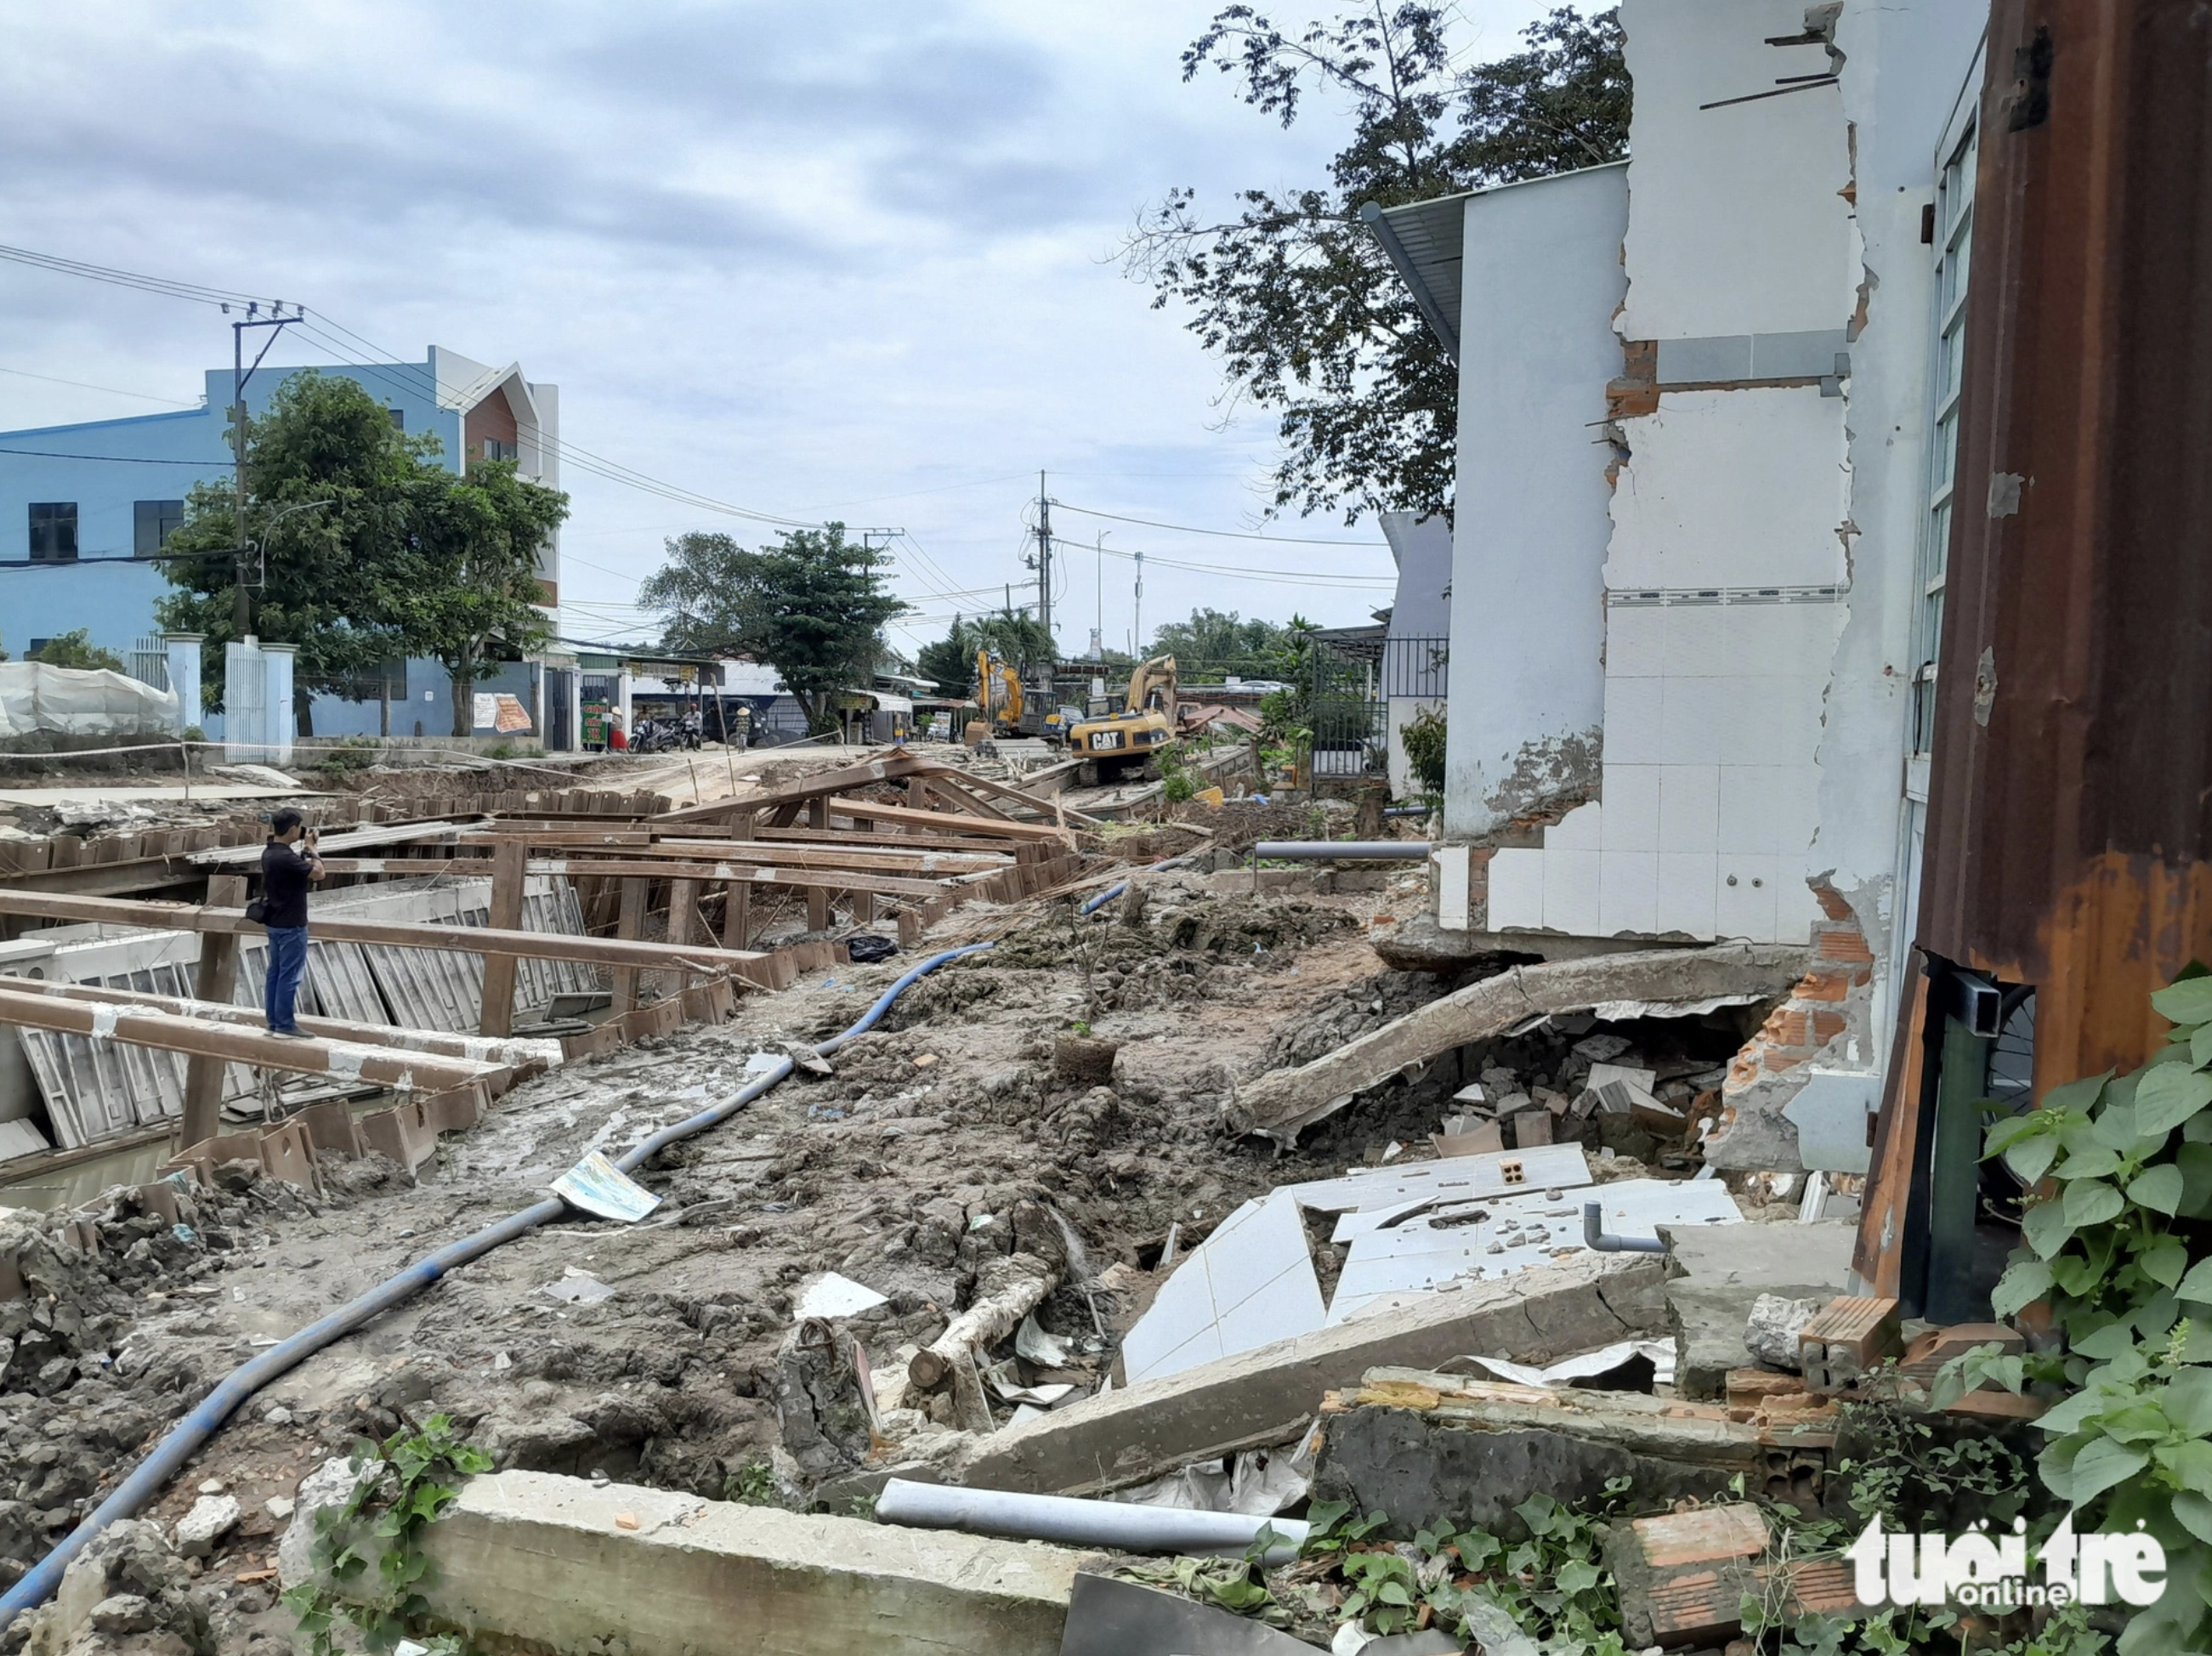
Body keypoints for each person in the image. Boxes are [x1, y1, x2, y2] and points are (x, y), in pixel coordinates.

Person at [260, 808, 324, 1038]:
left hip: (275, 922)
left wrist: (304, 852)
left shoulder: (269, 853)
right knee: (290, 975)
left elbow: (298, 872)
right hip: (292, 925)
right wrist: (312, 848)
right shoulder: (285, 857)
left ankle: (273, 1023)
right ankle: (285, 1025)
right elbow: (319, 873)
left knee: (275, 974)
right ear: (293, 829)